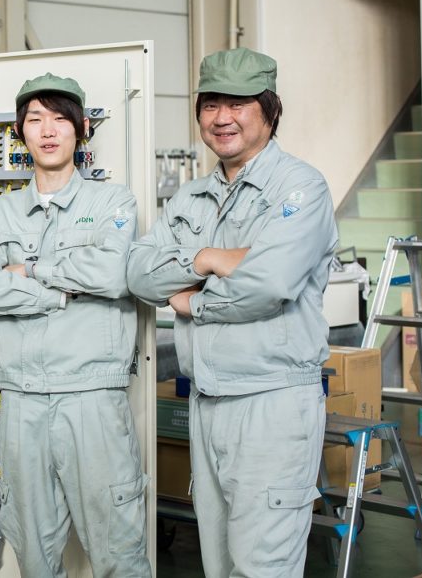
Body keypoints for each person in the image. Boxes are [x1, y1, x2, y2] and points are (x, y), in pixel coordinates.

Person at [127, 48, 337, 577]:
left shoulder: (299, 189)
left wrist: (193, 299)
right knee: (218, 563)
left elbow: (269, 284)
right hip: (208, 402)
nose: (222, 118)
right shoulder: (192, 197)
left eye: (239, 104)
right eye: (211, 103)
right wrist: (209, 258)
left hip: (272, 401)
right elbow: (140, 274)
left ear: (269, 110)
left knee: (261, 565)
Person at [0, 74, 150, 577]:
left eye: (59, 119)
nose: (47, 130)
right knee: (34, 554)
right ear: (20, 134)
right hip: (21, 401)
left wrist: (30, 272)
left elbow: (113, 273)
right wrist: (68, 287)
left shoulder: (113, 202)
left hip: (92, 398)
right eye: (34, 119)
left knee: (118, 549)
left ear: (82, 128)